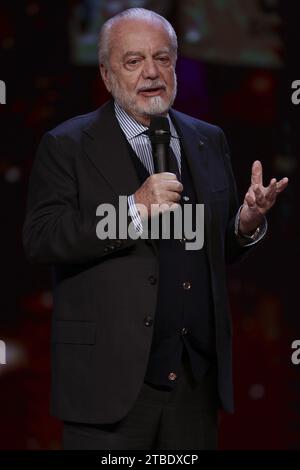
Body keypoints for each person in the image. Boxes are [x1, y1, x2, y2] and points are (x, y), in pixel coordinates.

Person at [22, 8, 288, 450]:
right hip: (109, 384)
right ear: (107, 75)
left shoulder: (208, 138)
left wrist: (244, 225)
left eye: (162, 59)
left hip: (193, 383)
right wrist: (134, 208)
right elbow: (42, 237)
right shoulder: (66, 145)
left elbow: (208, 246)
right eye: (134, 61)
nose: (152, 72)